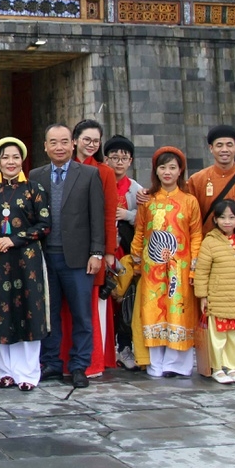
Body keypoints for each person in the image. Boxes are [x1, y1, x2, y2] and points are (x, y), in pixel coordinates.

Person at [29, 124, 105, 389]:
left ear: (73, 144)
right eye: (53, 142)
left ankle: (79, 365)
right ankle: (51, 362)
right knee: (49, 314)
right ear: (45, 146)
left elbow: (97, 217)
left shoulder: (88, 174)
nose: (59, 147)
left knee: (81, 315)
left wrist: (97, 253)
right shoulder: (35, 175)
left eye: (64, 142)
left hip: (78, 258)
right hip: (45, 256)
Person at [185, 124, 235, 377]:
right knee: (213, 310)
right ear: (210, 148)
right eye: (219, 145)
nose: (224, 150)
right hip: (210, 251)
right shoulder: (197, 179)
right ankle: (215, 361)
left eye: (229, 145)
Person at [128, 146, 202, 378]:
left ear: (180, 171)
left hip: (179, 268)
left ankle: (177, 364)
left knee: (178, 311)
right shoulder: (148, 201)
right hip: (152, 268)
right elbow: (140, 231)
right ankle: (155, 363)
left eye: (172, 167)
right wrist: (137, 258)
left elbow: (196, 234)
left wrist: (195, 263)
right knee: (153, 311)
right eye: (163, 167)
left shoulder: (190, 201)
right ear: (156, 171)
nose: (167, 172)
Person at [0, 137, 50, 391]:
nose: (10, 162)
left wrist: (13, 240)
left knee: (29, 313)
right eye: (5, 158)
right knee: (2, 313)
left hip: (27, 260)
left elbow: (44, 224)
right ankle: (6, 372)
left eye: (15, 157)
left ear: (22, 160)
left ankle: (28, 374)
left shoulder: (34, 189)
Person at [70, 119, 119, 376]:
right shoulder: (61, 168)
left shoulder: (104, 172)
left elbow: (109, 214)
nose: (91, 144)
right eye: (86, 139)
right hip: (65, 252)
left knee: (90, 308)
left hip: (93, 250)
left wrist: (108, 252)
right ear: (75, 140)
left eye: (96, 140)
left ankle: (91, 362)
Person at [194, 199, 235, 384]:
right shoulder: (210, 242)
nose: (227, 221)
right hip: (218, 296)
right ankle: (217, 367)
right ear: (216, 219)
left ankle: (233, 367)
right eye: (222, 217)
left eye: (231, 217)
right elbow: (202, 270)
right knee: (218, 335)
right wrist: (203, 295)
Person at [104, 135, 142, 369]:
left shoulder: (135, 188)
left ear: (130, 161)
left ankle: (125, 347)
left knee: (126, 300)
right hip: (104, 251)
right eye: (114, 157)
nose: (119, 162)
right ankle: (107, 348)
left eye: (124, 158)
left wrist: (127, 215)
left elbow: (147, 217)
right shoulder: (99, 180)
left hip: (125, 252)